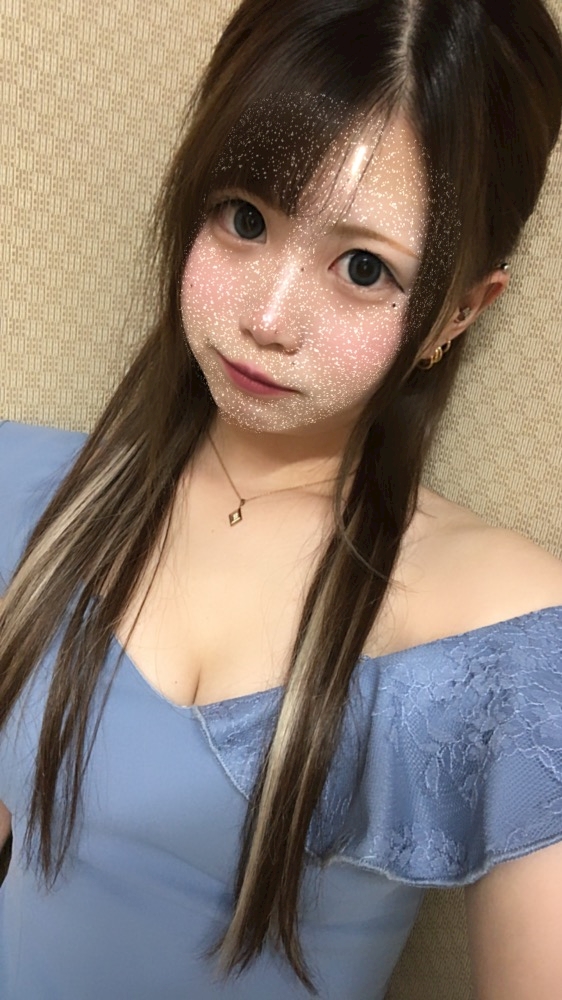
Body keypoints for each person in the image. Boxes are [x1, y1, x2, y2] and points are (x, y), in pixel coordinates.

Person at [1, 0, 562, 997]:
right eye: (245, 217)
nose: (267, 317)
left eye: (362, 268)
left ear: (461, 310)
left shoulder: (504, 627)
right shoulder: (24, 483)